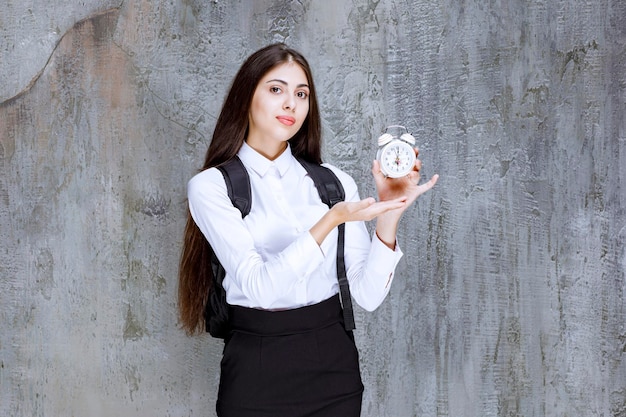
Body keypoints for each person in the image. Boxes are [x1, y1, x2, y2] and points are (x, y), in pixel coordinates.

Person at [178, 43, 438, 417]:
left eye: (302, 94)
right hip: (256, 369)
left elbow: (367, 295)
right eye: (276, 89)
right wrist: (330, 220)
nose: (291, 104)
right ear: (245, 96)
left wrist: (390, 211)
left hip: (333, 363)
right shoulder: (212, 187)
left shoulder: (334, 183)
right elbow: (260, 286)